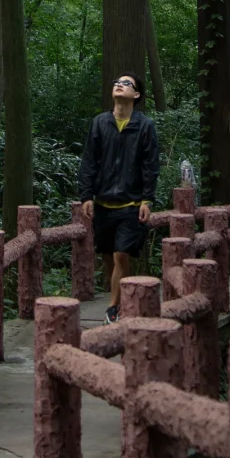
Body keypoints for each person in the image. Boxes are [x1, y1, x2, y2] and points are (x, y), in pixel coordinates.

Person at [78, 73, 159, 323]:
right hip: (103, 203)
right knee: (108, 256)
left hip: (131, 203)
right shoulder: (100, 123)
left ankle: (112, 308)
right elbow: (89, 161)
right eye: (116, 82)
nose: (119, 85)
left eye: (126, 84)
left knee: (121, 254)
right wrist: (86, 195)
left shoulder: (145, 126)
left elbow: (150, 165)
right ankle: (123, 299)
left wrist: (147, 200)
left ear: (136, 95)